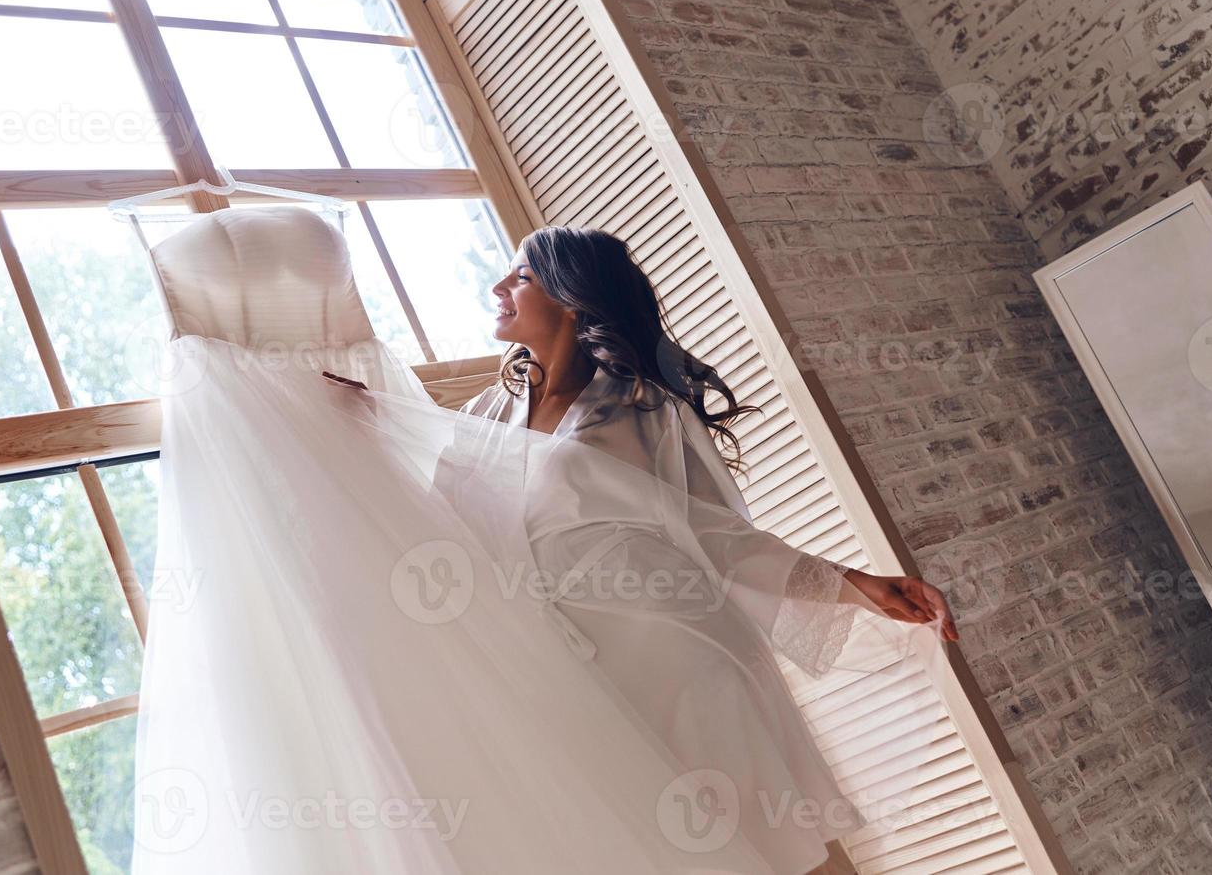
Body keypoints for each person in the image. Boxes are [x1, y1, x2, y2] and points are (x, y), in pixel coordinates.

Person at [323, 225, 959, 873]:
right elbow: (440, 516)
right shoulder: (490, 413)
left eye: (520, 277)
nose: (498, 288)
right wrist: (363, 416)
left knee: (780, 844)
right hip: (584, 675)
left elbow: (725, 538)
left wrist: (855, 583)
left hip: (682, 660)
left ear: (571, 296)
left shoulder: (641, 409)